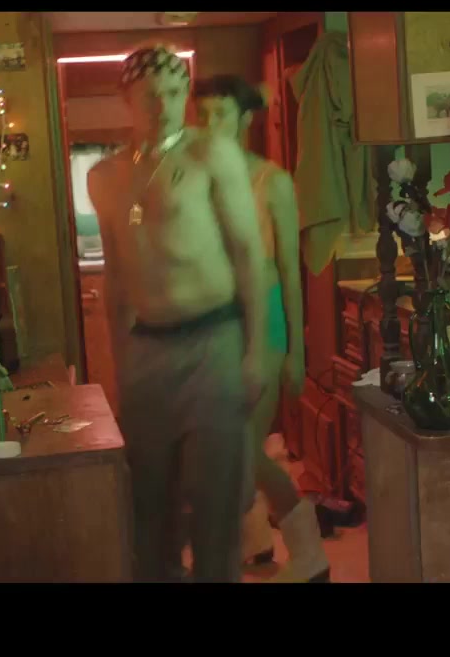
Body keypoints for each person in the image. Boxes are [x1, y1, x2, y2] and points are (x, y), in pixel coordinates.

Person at [86, 46, 268, 583]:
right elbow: (116, 277)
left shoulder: (211, 154)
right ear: (126, 99)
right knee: (147, 507)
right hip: (147, 348)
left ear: (184, 93)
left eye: (172, 92)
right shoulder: (104, 175)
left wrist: (257, 350)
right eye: (148, 95)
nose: (161, 105)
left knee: (215, 504)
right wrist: (118, 366)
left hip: (214, 340)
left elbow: (249, 255)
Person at [195, 75, 330, 583]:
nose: (209, 124)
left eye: (220, 114)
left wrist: (296, 351)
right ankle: (252, 542)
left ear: (246, 119)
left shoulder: (272, 182)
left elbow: (292, 271)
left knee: (246, 449)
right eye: (203, 115)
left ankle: (311, 555)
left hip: (263, 321)